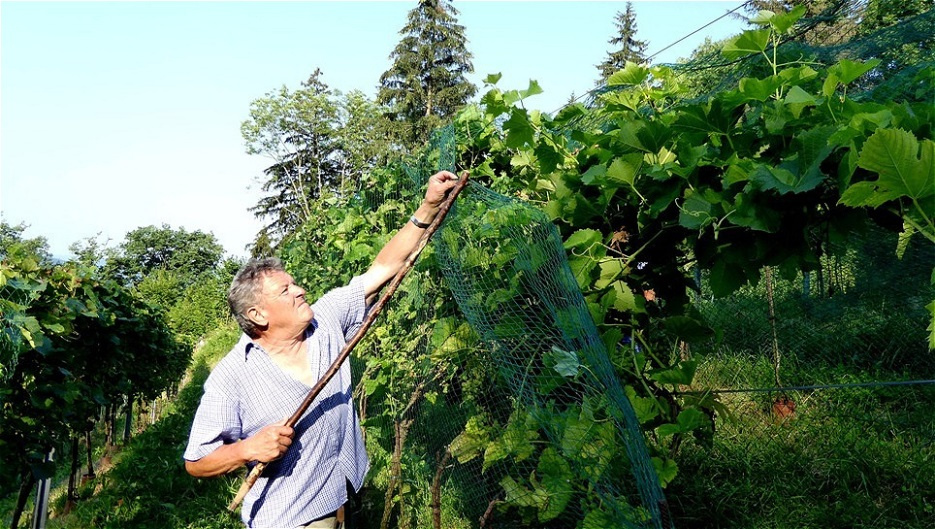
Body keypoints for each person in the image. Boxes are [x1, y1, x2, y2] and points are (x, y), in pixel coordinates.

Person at [183, 171, 460, 528]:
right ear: (257, 315)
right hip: (290, 519)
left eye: (294, 284)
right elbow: (196, 462)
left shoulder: (325, 320)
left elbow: (383, 268)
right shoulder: (231, 376)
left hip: (342, 497)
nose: (300, 291)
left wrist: (428, 207)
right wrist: (247, 449)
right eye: (285, 291)